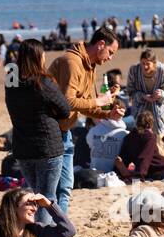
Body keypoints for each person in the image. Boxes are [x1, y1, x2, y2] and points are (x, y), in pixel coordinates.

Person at [49, 26, 121, 214]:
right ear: (100, 44)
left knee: (64, 187)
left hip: (63, 132)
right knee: (51, 191)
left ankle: (59, 236)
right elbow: (67, 101)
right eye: (111, 52)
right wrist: (99, 101)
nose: (110, 58)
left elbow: (88, 106)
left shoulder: (90, 66)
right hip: (49, 132)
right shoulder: (72, 62)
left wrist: (108, 113)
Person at [6, 39, 73, 225]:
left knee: (36, 194)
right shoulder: (43, 82)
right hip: (47, 146)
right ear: (38, 57)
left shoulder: (12, 81)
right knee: (46, 197)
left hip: (23, 146)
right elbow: (65, 109)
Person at [114, 111, 164, 182]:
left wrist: (118, 171)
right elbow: (145, 156)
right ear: (151, 125)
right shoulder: (149, 137)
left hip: (151, 172)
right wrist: (139, 176)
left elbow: (124, 157)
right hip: (162, 168)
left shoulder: (129, 137)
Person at [125, 49, 164, 130]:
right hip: (139, 109)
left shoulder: (163, 71)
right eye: (143, 63)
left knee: (160, 135)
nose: (145, 66)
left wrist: (160, 94)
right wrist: (143, 96)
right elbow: (130, 91)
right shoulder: (134, 71)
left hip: (160, 110)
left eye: (148, 64)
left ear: (154, 63)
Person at [87, 109, 129, 174]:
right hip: (115, 175)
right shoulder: (126, 134)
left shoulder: (93, 130)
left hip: (94, 174)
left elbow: (90, 145)